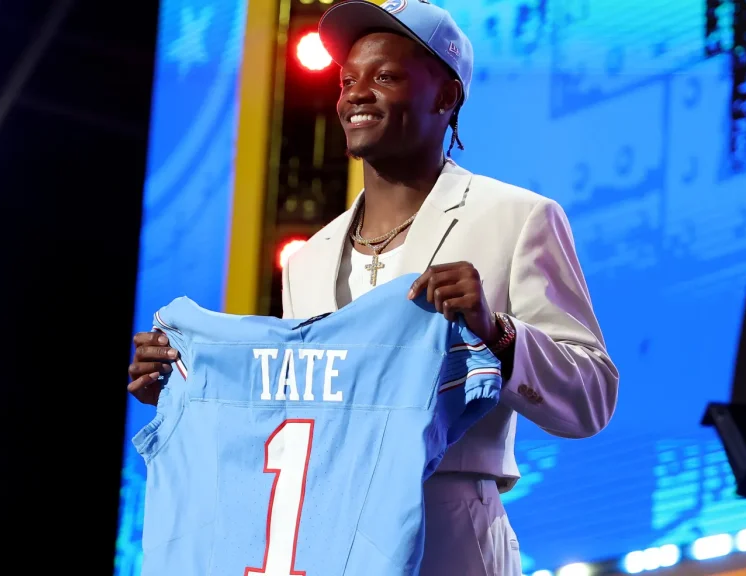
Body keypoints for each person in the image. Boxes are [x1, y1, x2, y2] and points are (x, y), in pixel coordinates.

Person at [127, 0, 619, 574]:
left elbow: (591, 400)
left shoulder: (517, 217)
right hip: (332, 531)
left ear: (446, 96)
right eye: (347, 81)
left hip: (452, 524)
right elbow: (301, 406)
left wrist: (498, 334)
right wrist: (191, 385)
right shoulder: (309, 259)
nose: (356, 94)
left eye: (385, 77)